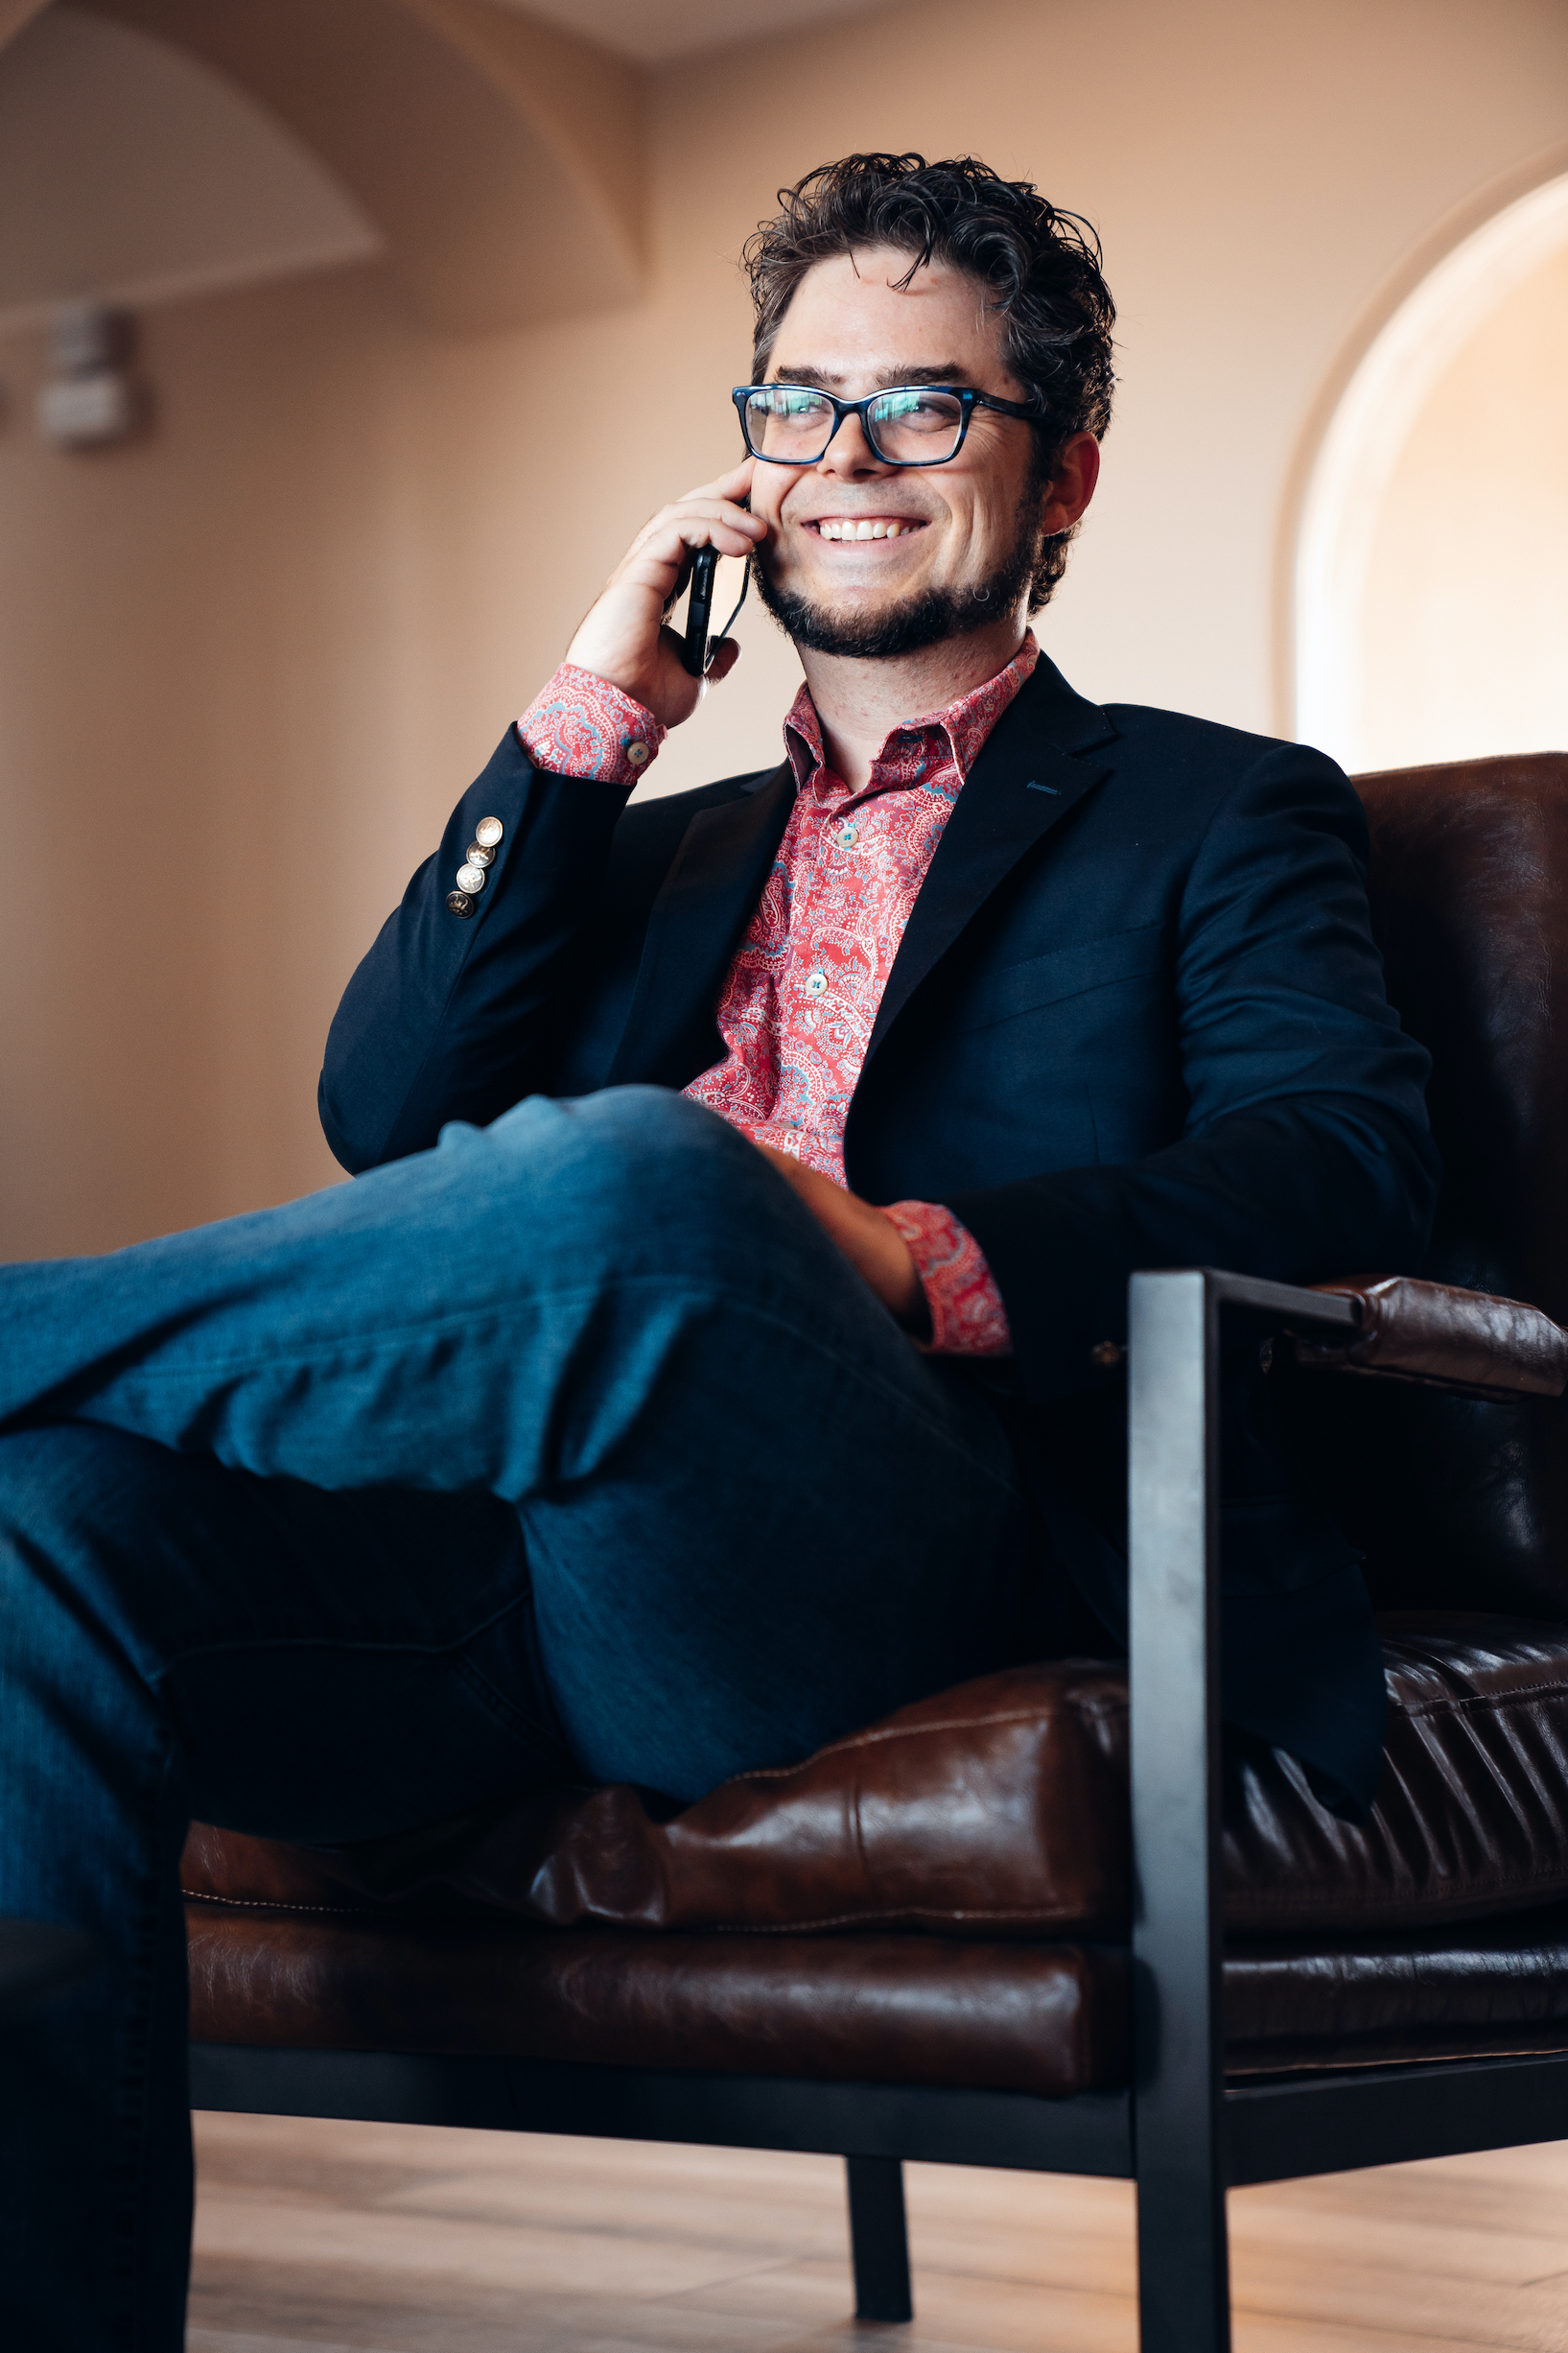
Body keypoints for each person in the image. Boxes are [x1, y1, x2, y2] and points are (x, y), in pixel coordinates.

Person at [0, 153, 1437, 2349]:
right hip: (515, 1578)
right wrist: (588, 711)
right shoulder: (646, 847)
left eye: (923, 410)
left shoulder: (1213, 808)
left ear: (1057, 474)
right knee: (42, 1518)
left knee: (643, 1182)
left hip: (896, 1548)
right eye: (795, 407)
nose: (844, 460)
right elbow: (385, 1114)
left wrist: (893, 1248)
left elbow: (1336, 1160)